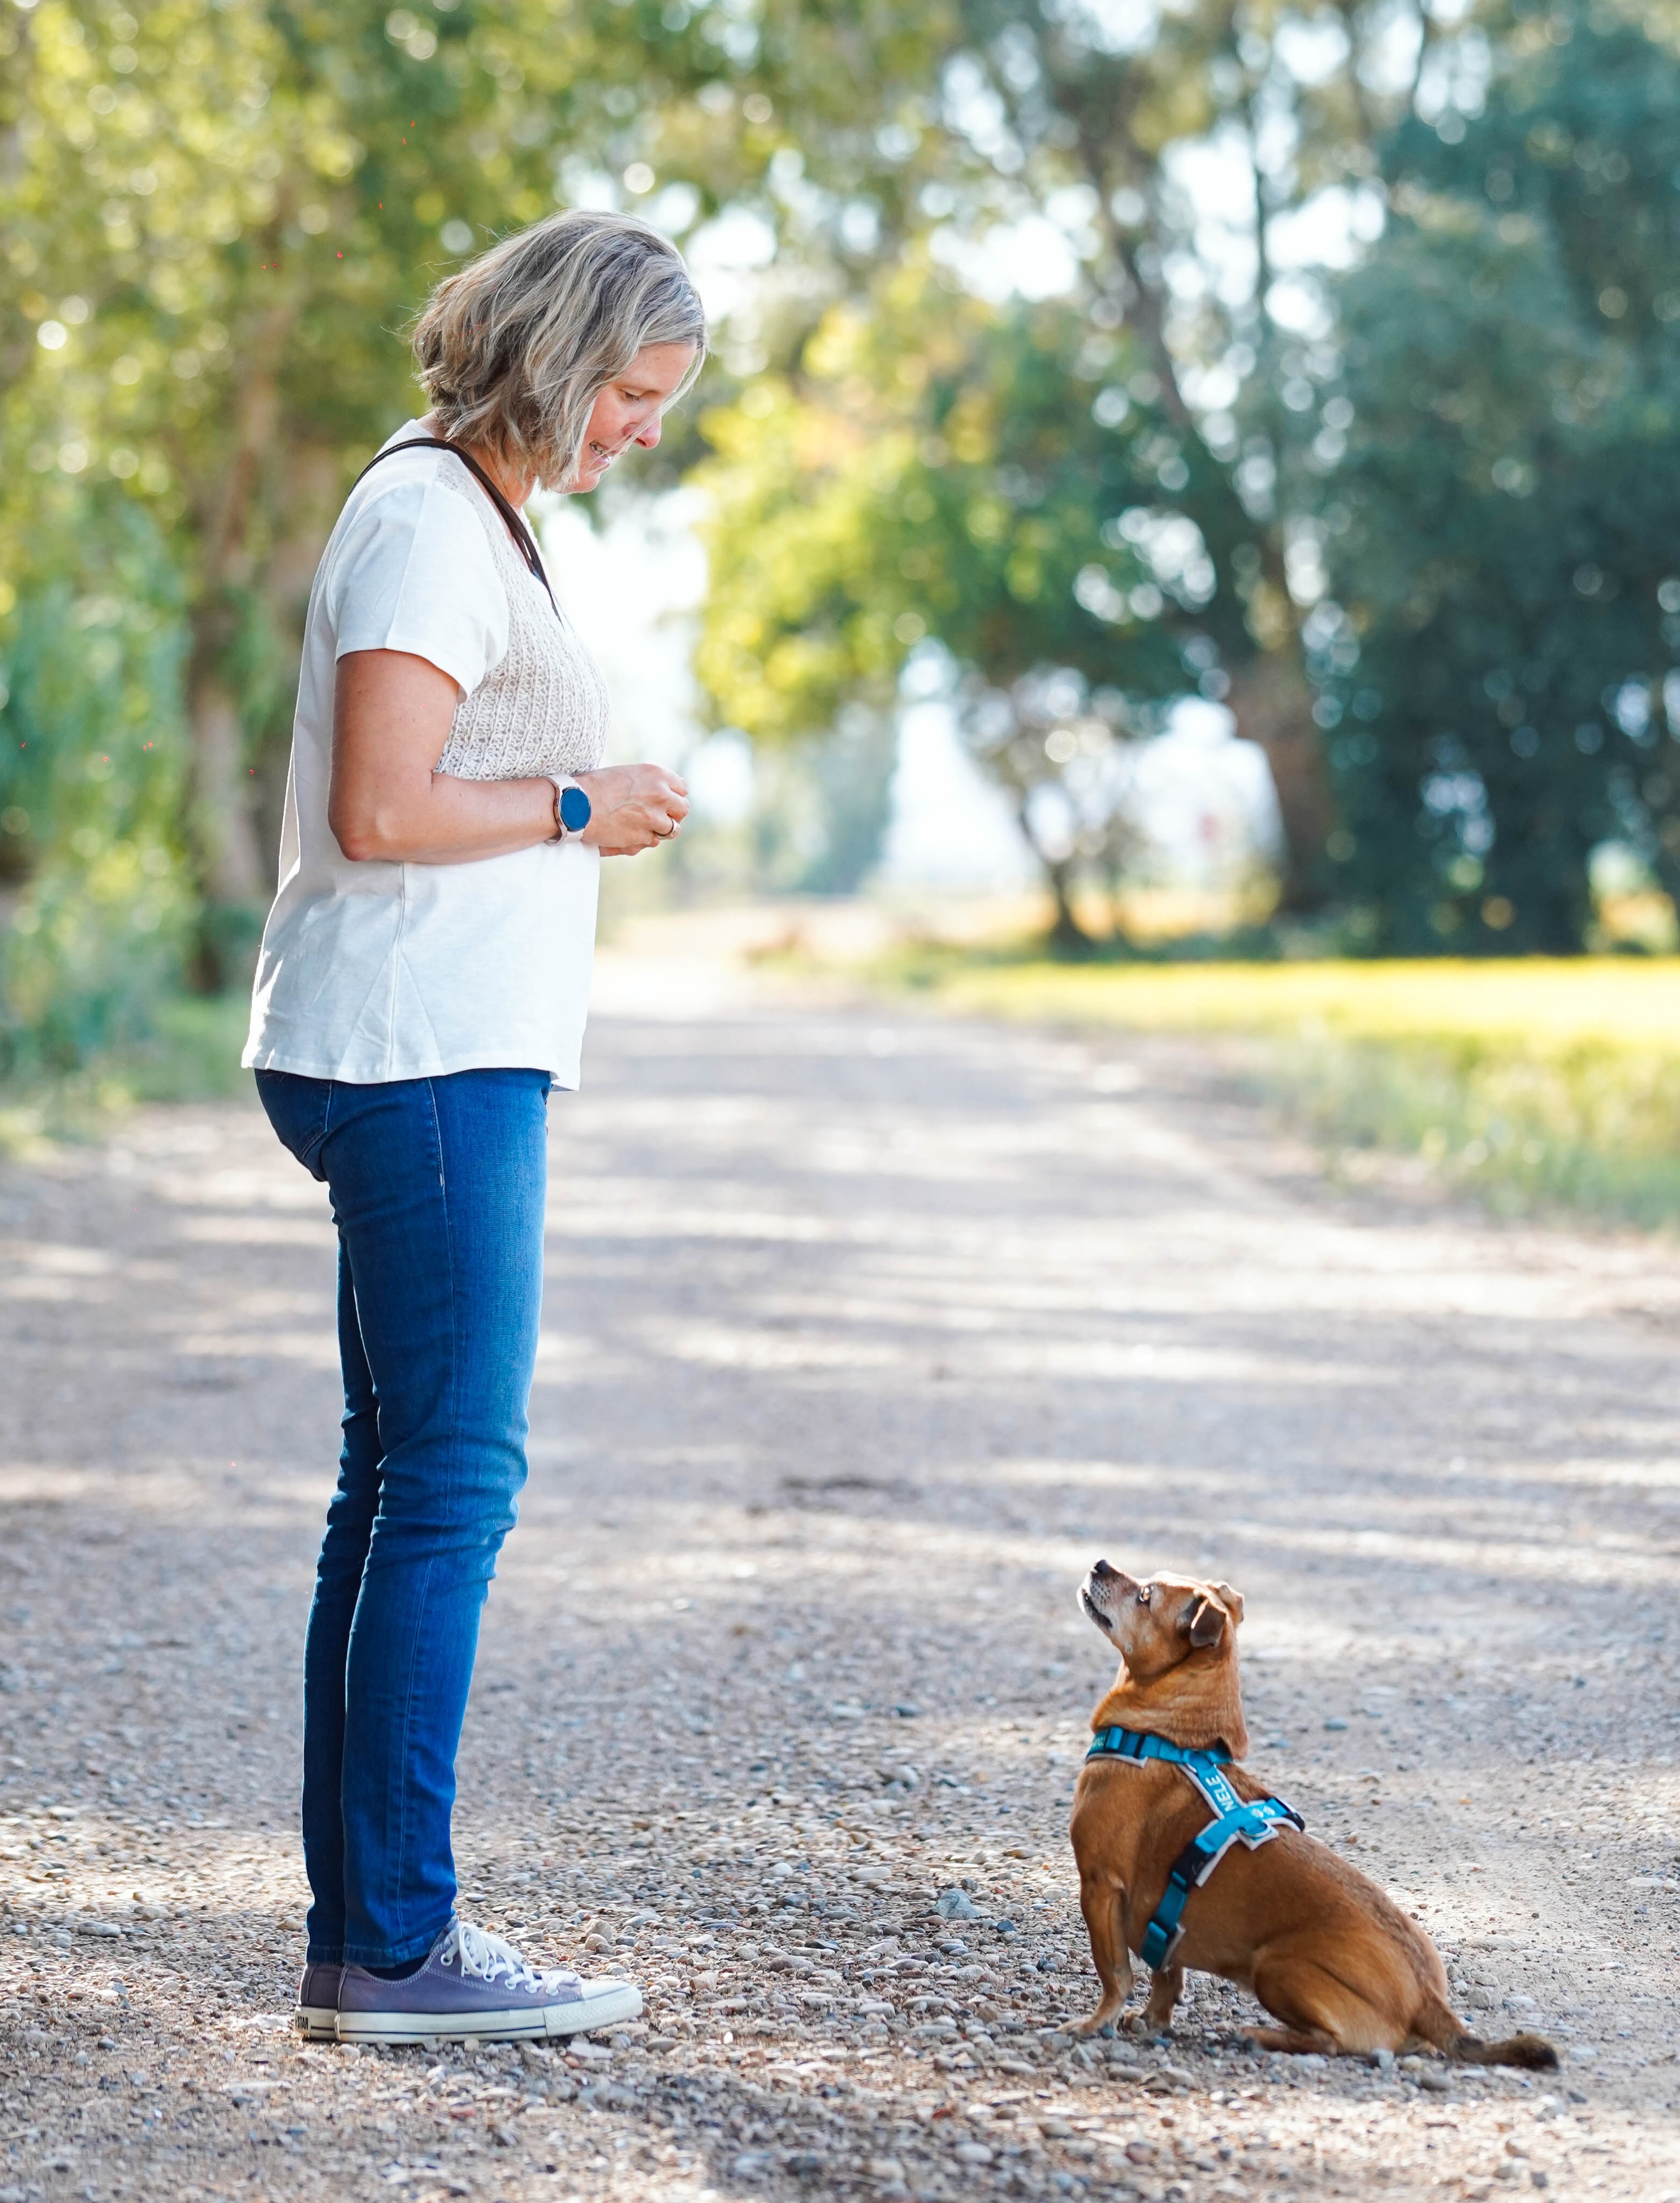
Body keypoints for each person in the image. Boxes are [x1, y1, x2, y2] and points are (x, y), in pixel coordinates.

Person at [241, 209, 703, 2045]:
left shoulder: (468, 516)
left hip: (425, 1047)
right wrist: (584, 797)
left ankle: (371, 1935)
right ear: (562, 359)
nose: (647, 432)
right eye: (636, 395)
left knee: (397, 1482)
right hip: (420, 1054)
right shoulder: (432, 518)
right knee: (450, 1482)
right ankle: (399, 1949)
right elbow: (380, 805)